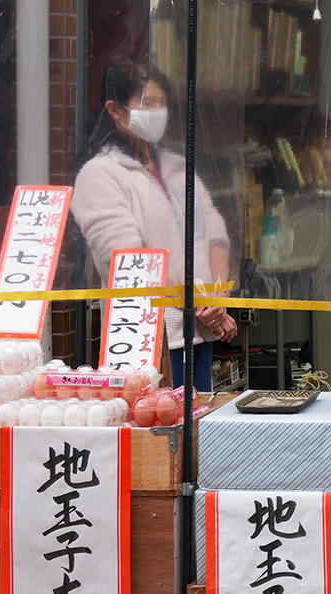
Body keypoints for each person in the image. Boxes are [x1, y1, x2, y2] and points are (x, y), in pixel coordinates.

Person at [70, 60, 235, 391]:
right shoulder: (99, 175)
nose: (159, 111)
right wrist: (200, 300)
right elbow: (129, 258)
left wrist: (219, 295)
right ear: (115, 110)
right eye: (148, 102)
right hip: (150, 341)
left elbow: (215, 231)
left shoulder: (177, 167)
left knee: (199, 427)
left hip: (199, 333)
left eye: (163, 103)